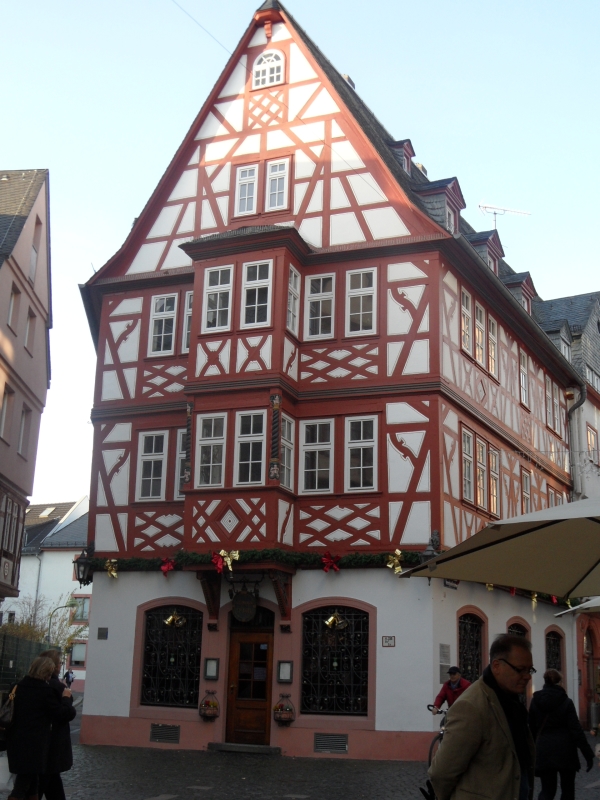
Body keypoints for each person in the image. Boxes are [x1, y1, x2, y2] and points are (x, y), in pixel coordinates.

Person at [429, 633, 536, 800]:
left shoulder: (511, 700)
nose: (528, 676)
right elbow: (442, 773)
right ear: (497, 666)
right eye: (520, 669)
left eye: (529, 670)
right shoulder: (472, 706)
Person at [6, 656, 75, 800]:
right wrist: (66, 698)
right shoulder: (45, 691)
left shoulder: (17, 687)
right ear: (48, 673)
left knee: (32, 785)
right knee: (22, 786)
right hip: (35, 745)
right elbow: (63, 714)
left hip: (15, 741)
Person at [529, 668, 593, 800]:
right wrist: (588, 754)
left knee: (547, 790)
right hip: (566, 749)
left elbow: (531, 727)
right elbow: (576, 730)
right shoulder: (566, 702)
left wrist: (532, 750)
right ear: (560, 682)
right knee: (567, 790)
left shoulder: (536, 700)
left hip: (545, 748)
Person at [38, 650, 77, 800]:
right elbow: (65, 714)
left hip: (40, 741)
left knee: (50, 781)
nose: (61, 665)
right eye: (60, 663)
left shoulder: (36, 684)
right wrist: (67, 698)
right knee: (45, 780)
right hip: (53, 741)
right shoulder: (55, 687)